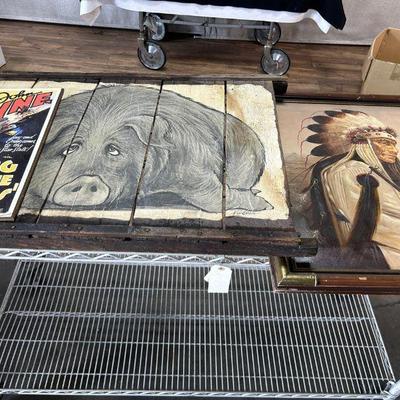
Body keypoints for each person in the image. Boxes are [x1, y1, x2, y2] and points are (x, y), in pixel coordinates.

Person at [306, 110, 400, 269]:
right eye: (384, 142)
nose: (395, 150)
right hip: (379, 252)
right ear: (363, 144)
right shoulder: (351, 171)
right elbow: (375, 223)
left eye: (393, 144)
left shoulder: (371, 172)